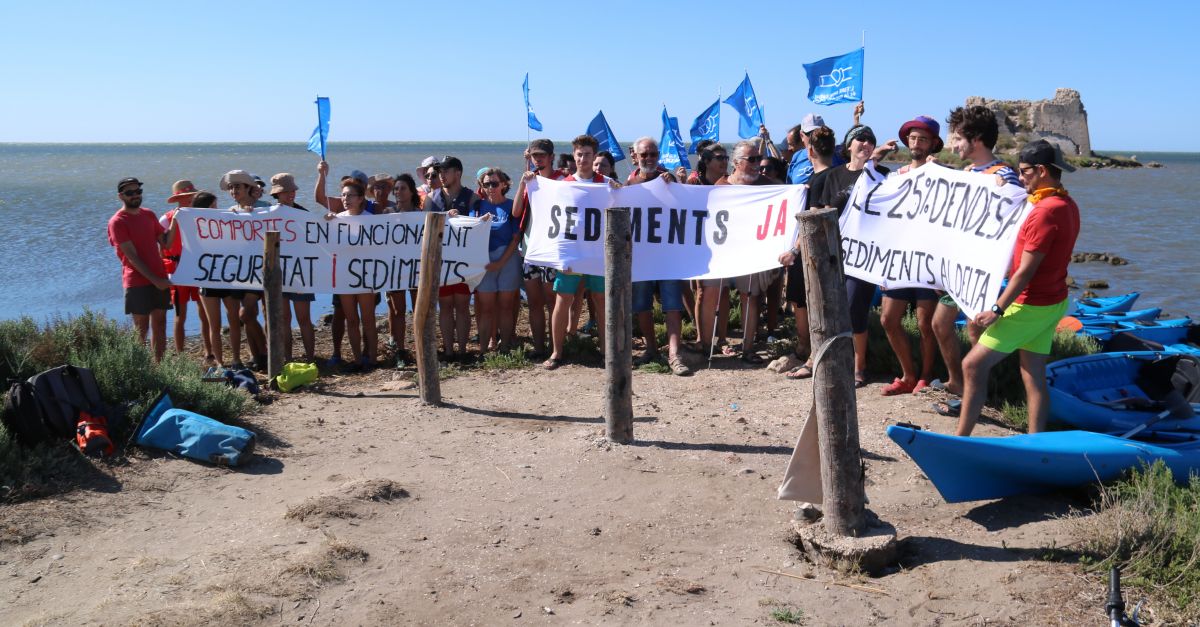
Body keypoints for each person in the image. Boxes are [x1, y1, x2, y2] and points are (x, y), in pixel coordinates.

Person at [955, 140, 1079, 436]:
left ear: (1041, 171)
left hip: (1030, 305)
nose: (1020, 178)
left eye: (1024, 172)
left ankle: (960, 440)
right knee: (1032, 375)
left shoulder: (1044, 212)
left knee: (972, 366)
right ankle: (1036, 442)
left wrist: (997, 309)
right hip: (1054, 302)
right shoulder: (1067, 204)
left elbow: (1025, 271)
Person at [931, 106, 1023, 397]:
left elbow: (1017, 209)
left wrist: (1003, 187)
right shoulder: (969, 172)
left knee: (975, 330)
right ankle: (957, 382)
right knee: (940, 323)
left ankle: (981, 394)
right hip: (960, 267)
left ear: (977, 139)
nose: (954, 145)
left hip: (984, 271)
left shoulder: (1004, 175)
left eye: (958, 138)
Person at [813, 125, 894, 388]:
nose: (866, 142)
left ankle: (860, 366)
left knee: (854, 309)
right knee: (832, 308)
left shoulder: (881, 175)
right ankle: (834, 359)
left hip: (866, 256)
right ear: (849, 145)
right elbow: (825, 213)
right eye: (860, 138)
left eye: (871, 140)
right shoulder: (834, 175)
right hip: (835, 254)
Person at [878, 117, 945, 396]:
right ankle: (907, 374)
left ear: (933, 144)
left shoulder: (942, 175)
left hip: (928, 258)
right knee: (888, 319)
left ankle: (926, 377)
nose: (916, 143)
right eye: (913, 138)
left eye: (923, 139)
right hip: (899, 258)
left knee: (924, 323)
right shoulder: (896, 177)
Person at [543, 135, 610, 369]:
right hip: (571, 253)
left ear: (594, 157)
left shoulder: (607, 183)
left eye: (588, 154)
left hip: (598, 255)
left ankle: (606, 351)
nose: (583, 158)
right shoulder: (563, 184)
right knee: (563, 300)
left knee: (601, 302)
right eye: (579, 154)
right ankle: (557, 352)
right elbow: (554, 220)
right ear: (574, 155)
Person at [625, 137, 690, 375]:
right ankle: (651, 348)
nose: (649, 159)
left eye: (653, 154)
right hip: (642, 256)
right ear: (636, 156)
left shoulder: (668, 179)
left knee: (672, 304)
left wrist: (678, 182)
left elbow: (688, 206)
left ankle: (674, 354)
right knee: (642, 305)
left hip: (668, 254)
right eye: (645, 155)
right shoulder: (630, 183)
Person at [776, 126, 838, 379]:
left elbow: (812, 222)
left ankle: (810, 352)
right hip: (828, 254)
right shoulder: (835, 176)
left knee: (804, 302)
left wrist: (793, 250)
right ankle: (806, 348)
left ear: (809, 150)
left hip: (811, 255)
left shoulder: (818, 180)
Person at [718, 140, 777, 365]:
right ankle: (717, 342)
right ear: (736, 163)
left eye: (758, 159)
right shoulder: (721, 185)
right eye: (751, 160)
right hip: (725, 252)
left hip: (752, 251)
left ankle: (748, 347)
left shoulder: (767, 185)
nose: (757, 164)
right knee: (718, 295)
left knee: (751, 296)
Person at [107, 177, 176, 363]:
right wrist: (156, 280)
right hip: (137, 281)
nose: (135, 195)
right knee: (141, 329)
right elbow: (131, 256)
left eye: (138, 191)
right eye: (130, 193)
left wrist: (177, 220)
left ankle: (159, 367)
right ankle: (139, 369)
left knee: (160, 324)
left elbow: (166, 243)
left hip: (159, 278)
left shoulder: (148, 214)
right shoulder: (117, 221)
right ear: (121, 196)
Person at [511, 138, 567, 357]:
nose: (538, 159)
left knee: (553, 301)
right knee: (534, 302)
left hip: (552, 250)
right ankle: (539, 347)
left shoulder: (561, 179)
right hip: (531, 249)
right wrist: (522, 184)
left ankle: (556, 347)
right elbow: (516, 213)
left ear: (551, 157)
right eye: (535, 155)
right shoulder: (530, 181)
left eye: (542, 155)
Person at [424, 156, 478, 359]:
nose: (442, 175)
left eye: (446, 171)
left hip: (463, 262)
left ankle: (463, 350)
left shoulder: (471, 198)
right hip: (440, 260)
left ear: (458, 173)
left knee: (463, 305)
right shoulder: (431, 198)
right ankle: (448, 350)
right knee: (445, 306)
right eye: (440, 172)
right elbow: (425, 227)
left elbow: (476, 228)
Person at [326, 179, 379, 370]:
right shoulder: (337, 219)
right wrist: (328, 223)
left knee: (368, 319)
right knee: (352, 320)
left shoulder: (371, 219)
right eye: (343, 195)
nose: (346, 199)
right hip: (344, 276)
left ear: (360, 198)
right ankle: (357, 359)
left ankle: (372, 358)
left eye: (350, 195)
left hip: (365, 275)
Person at [220, 170, 270, 371]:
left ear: (249, 188)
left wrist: (254, 215)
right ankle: (257, 355)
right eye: (231, 187)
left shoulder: (265, 208)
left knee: (245, 314)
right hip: (240, 269)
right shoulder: (231, 210)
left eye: (237, 187)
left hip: (260, 268)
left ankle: (265, 352)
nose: (233, 191)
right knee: (250, 315)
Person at [470, 168, 523, 353]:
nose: (490, 187)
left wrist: (500, 263)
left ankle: (506, 347)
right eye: (486, 184)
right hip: (484, 261)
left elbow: (516, 238)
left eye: (494, 183)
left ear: (504, 184)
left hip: (508, 259)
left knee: (506, 307)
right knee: (486, 309)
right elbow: (468, 231)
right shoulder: (477, 207)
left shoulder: (511, 206)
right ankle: (484, 350)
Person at [160, 180, 212, 361]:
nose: (189, 199)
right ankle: (181, 355)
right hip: (177, 269)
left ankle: (208, 351)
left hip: (198, 268)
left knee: (204, 312)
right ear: (178, 199)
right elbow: (161, 247)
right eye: (185, 197)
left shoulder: (201, 216)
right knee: (180, 315)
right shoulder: (166, 219)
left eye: (191, 196)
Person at [194, 191, 244, 369]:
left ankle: (237, 359)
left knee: (234, 319)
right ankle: (220, 363)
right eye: (213, 205)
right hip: (208, 277)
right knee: (214, 324)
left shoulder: (223, 221)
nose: (216, 208)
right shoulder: (195, 224)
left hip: (227, 275)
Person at [270, 173, 316, 363]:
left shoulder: (303, 213)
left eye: (292, 191)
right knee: (284, 320)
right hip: (279, 273)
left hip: (301, 272)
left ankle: (311, 358)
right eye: (285, 191)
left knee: (304, 318)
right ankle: (287, 358)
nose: (290, 194)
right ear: (277, 194)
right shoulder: (267, 215)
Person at [691, 144, 732, 355]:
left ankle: (722, 338)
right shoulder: (693, 182)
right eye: (719, 157)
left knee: (723, 291)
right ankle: (702, 337)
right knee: (701, 291)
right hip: (699, 243)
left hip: (722, 243)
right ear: (707, 161)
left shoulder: (729, 183)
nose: (724, 161)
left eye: (726, 157)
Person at [385, 173, 423, 366]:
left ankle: (420, 348)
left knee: (418, 310)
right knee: (399, 310)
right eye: (396, 189)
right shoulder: (387, 213)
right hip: (394, 268)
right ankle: (400, 350)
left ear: (411, 191)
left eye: (403, 188)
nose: (399, 192)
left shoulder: (420, 213)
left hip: (416, 268)